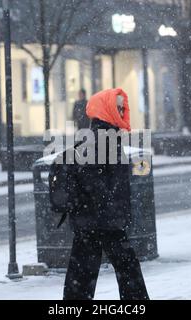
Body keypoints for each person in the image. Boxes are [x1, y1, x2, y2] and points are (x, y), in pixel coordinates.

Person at [63, 88, 149, 300]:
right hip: (101, 221)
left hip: (93, 221)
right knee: (126, 268)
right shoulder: (100, 138)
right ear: (105, 108)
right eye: (116, 106)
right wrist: (111, 210)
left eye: (122, 107)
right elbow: (93, 180)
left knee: (82, 274)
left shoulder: (105, 135)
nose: (121, 110)